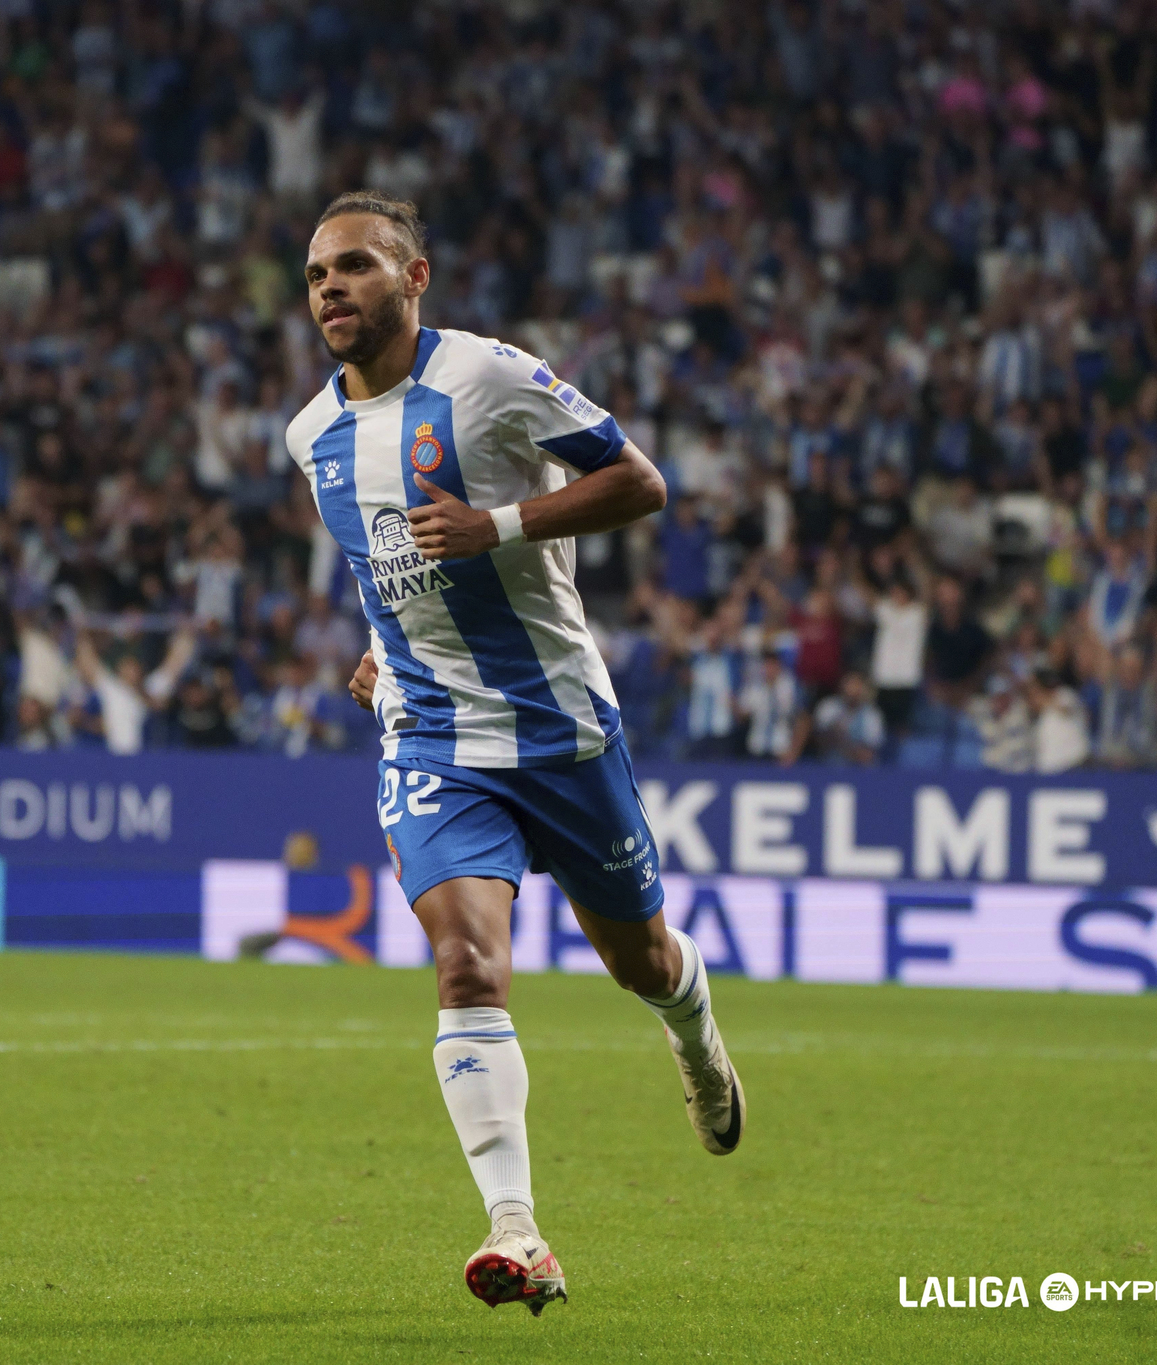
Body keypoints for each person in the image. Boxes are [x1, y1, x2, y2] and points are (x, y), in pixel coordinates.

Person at [293, 191, 740, 1316]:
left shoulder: (488, 377)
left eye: (354, 267)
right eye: (315, 276)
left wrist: (501, 522)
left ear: (414, 277)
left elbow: (640, 483)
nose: (331, 289)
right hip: (434, 735)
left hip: (557, 727)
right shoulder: (312, 438)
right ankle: (515, 1229)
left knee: (637, 962)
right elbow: (390, 571)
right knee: (464, 966)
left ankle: (692, 1033)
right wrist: (377, 655)